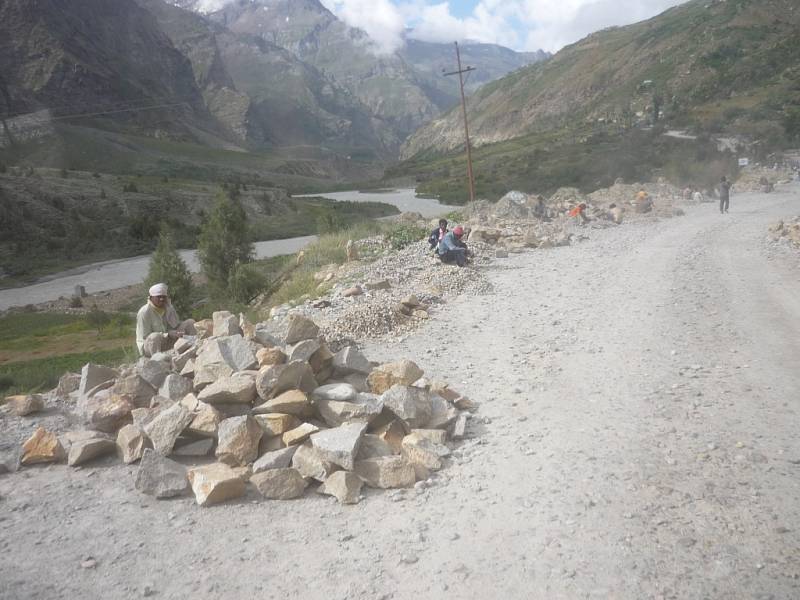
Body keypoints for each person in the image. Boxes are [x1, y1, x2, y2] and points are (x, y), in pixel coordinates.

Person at [136, 283, 195, 357]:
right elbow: (145, 336)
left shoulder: (169, 307)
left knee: (190, 323)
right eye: (158, 297)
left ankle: (194, 348)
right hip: (151, 346)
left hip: (168, 341)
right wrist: (168, 334)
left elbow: (176, 324)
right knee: (154, 336)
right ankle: (157, 361)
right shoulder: (144, 312)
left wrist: (178, 332)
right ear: (151, 298)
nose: (162, 299)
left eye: (163, 297)